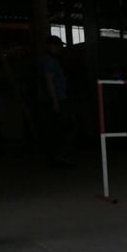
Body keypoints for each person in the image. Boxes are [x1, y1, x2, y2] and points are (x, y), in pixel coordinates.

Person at [39, 34, 76, 166]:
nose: (60, 48)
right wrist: (55, 101)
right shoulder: (49, 61)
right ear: (50, 46)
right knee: (66, 128)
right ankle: (62, 156)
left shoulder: (52, 60)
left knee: (60, 129)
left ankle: (58, 157)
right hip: (58, 99)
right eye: (57, 45)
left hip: (58, 98)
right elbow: (49, 81)